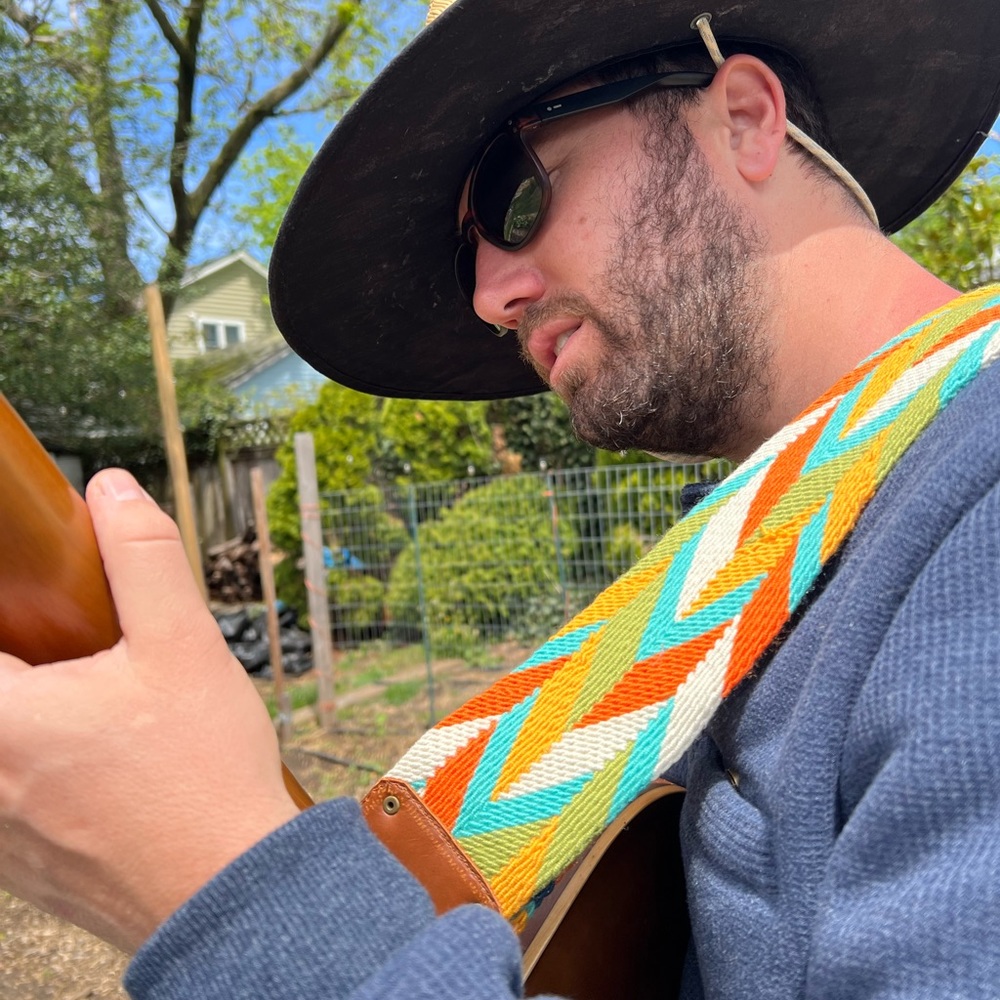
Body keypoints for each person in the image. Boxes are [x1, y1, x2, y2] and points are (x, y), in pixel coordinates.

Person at [2, 0, 1000, 997]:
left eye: (514, 195)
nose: (488, 297)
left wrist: (225, 887)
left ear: (741, 117)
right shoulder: (767, 552)